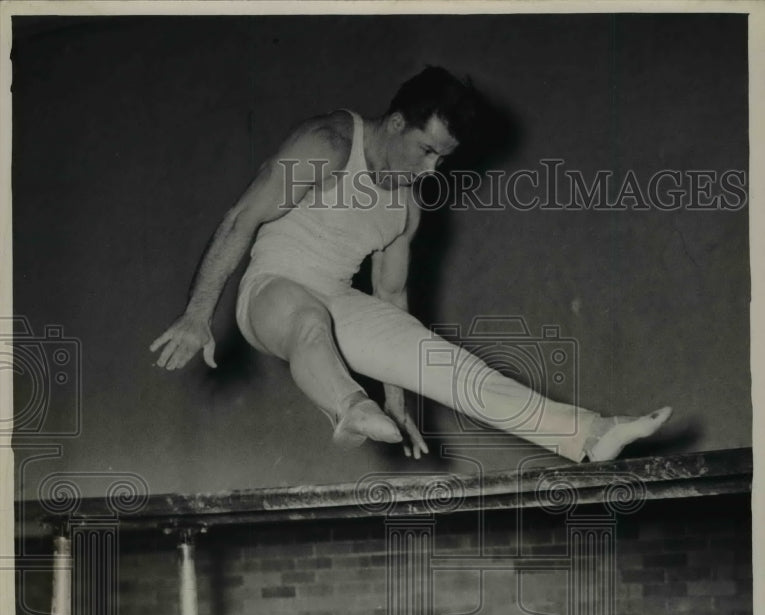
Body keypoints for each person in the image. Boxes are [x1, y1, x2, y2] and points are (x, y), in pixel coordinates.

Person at [150, 66, 671, 462]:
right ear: (396, 123)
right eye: (425, 151)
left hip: (338, 297)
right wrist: (198, 315)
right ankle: (350, 409)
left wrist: (396, 393)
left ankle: (588, 433)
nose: (430, 169)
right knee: (308, 321)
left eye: (441, 159)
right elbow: (242, 217)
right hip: (270, 289)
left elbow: (392, 299)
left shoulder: (406, 205)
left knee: (443, 361)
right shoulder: (327, 145)